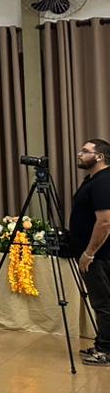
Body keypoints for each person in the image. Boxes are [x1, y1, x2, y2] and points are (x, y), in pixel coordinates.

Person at [71, 139, 110, 366]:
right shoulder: (93, 180)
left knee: (103, 303)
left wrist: (89, 253)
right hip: (97, 254)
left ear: (99, 157)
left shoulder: (103, 181)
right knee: (103, 302)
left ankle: (105, 350)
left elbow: (105, 222)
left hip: (99, 256)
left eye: (85, 151)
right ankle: (102, 343)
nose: (79, 154)